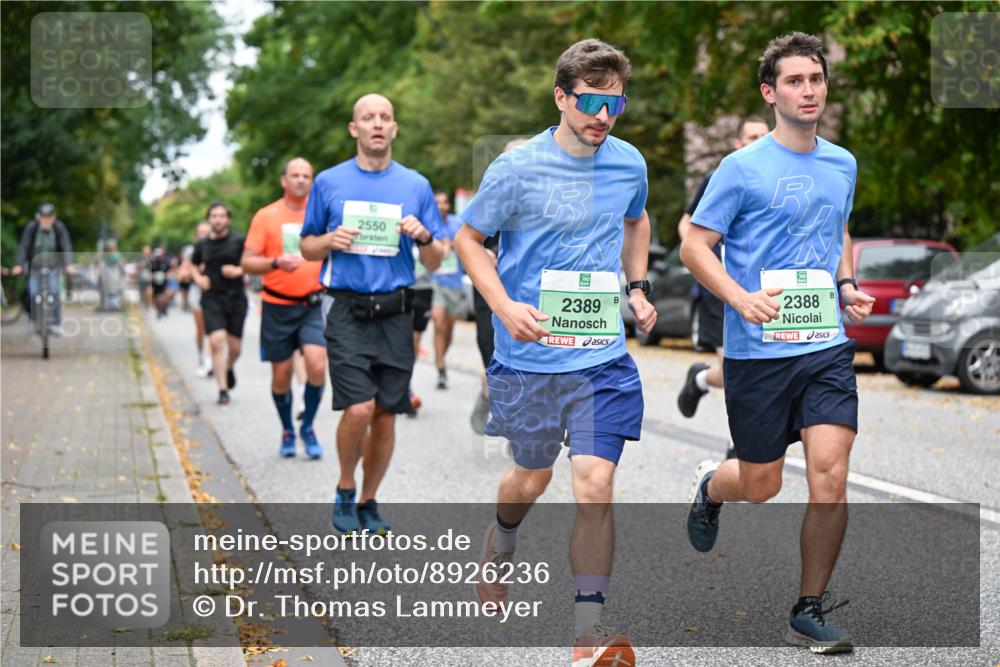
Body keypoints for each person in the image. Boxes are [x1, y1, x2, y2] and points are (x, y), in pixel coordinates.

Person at [454, 39, 656, 666]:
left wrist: (638, 286)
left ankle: (586, 634)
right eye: (592, 102)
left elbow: (638, 219)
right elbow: (467, 237)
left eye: (615, 104)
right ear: (562, 96)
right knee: (530, 478)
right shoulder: (515, 169)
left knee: (595, 485)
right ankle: (502, 538)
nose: (604, 116)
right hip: (530, 359)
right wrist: (504, 307)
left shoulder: (628, 163)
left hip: (601, 357)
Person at [680, 32, 875, 654]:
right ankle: (714, 485)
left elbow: (836, 222)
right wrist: (739, 298)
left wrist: (845, 282)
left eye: (815, 79)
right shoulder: (740, 168)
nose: (809, 90)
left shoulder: (841, 162)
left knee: (830, 473)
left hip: (824, 343)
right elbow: (693, 246)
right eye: (794, 81)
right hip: (758, 351)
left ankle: (809, 606)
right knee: (763, 484)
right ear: (771, 93)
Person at [300, 93, 447, 535]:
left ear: (394, 129)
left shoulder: (416, 185)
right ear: (355, 129)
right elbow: (307, 247)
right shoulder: (328, 182)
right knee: (360, 409)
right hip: (346, 307)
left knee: (386, 412)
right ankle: (346, 487)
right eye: (368, 118)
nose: (377, 124)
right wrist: (330, 241)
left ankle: (369, 501)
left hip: (396, 311)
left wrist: (424, 238)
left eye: (385, 117)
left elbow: (437, 260)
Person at [676, 116, 770, 459]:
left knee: (749, 371)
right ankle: (736, 445)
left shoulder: (776, 177)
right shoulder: (720, 177)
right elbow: (687, 224)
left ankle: (700, 379)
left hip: (764, 290)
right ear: (738, 143)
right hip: (721, 289)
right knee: (737, 370)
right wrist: (702, 253)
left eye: (764, 135)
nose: (759, 140)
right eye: (752, 136)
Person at [241, 157, 327, 459]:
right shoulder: (266, 216)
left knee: (317, 364)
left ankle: (309, 427)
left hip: (314, 304)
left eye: (306, 175)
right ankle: (287, 428)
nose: (301, 180)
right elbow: (247, 262)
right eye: (295, 175)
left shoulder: (322, 214)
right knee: (282, 374)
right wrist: (275, 262)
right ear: (284, 180)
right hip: (277, 304)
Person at [191, 203, 248, 405]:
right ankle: (223, 390)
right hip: (212, 298)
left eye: (222, 216)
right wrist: (198, 279)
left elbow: (251, 262)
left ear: (228, 219)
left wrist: (239, 271)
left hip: (236, 298)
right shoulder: (202, 244)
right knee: (216, 342)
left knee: (235, 348)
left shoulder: (239, 240)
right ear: (209, 219)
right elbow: (193, 265)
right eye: (214, 216)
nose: (218, 219)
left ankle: (229, 366)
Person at [13, 202, 75, 335]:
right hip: (34, 268)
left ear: (54, 217)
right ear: (38, 217)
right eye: (43, 216)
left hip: (52, 268)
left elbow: (66, 246)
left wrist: (68, 265)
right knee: (32, 293)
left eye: (49, 216)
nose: (46, 219)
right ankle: (33, 322)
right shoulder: (32, 228)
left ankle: (56, 324)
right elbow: (24, 246)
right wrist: (19, 265)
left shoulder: (59, 228)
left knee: (55, 293)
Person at [428, 190, 466, 390]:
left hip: (455, 282)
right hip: (436, 281)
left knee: (449, 328)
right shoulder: (428, 224)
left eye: (444, 202)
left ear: (449, 206)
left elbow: (467, 246)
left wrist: (453, 245)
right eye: (437, 202)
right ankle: (440, 367)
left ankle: (441, 356)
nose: (441, 206)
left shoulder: (457, 223)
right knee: (438, 321)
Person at [180, 222, 213, 376]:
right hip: (197, 292)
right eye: (201, 232)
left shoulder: (218, 247)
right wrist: (195, 273)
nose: (204, 235)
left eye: (206, 232)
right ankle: (202, 357)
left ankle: (211, 360)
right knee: (202, 329)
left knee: (214, 328)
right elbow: (182, 274)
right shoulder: (192, 252)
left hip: (215, 292)